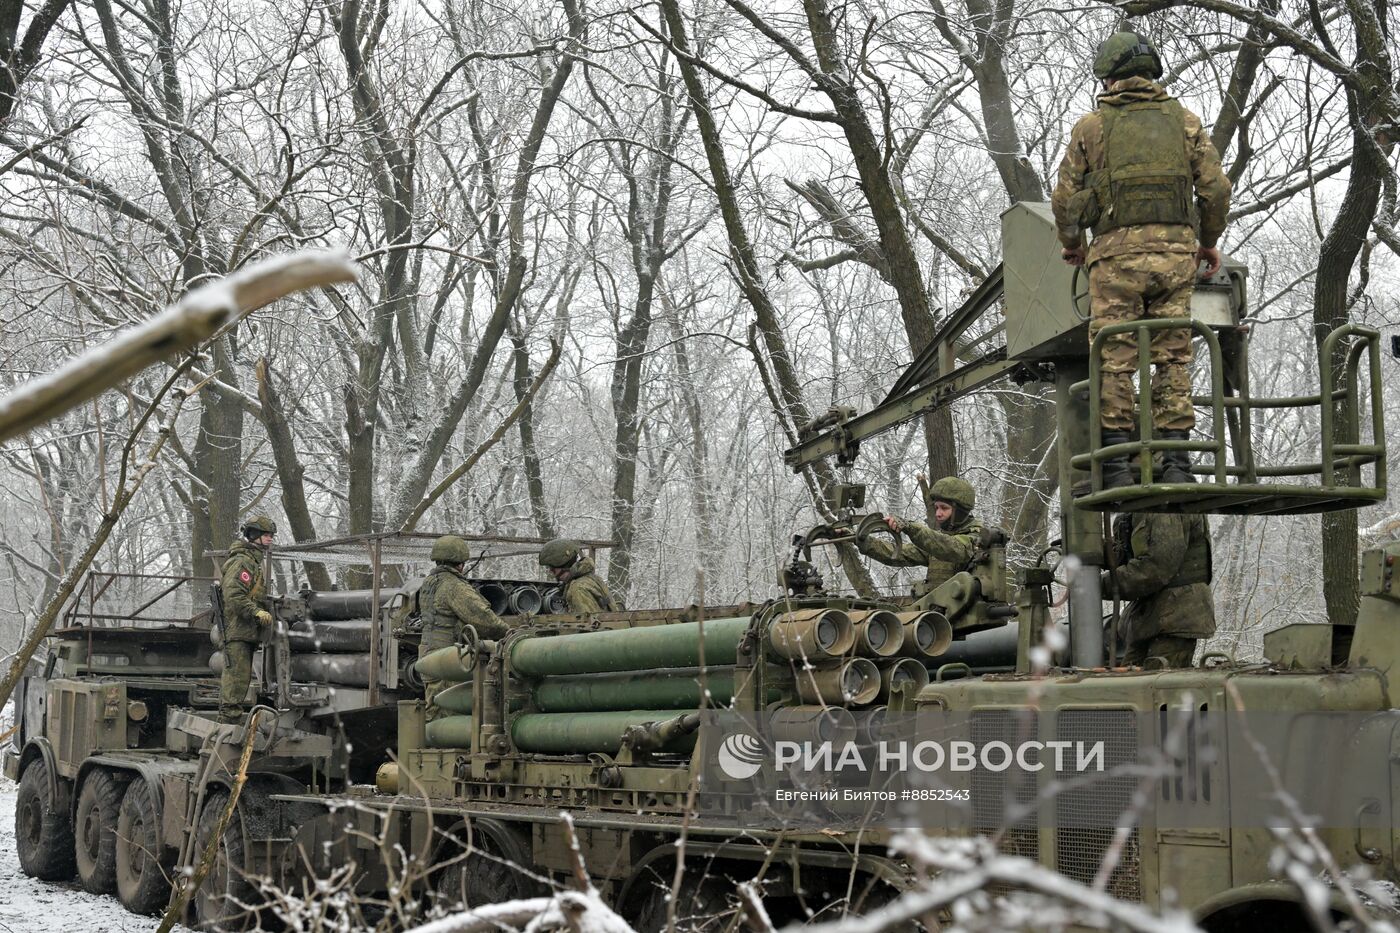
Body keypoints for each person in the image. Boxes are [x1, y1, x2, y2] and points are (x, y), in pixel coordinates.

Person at [1052, 30, 1232, 488]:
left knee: (1114, 357)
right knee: (1173, 357)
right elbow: (1215, 190)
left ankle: (1115, 469)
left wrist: (1073, 243)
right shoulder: (1185, 122)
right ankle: (1177, 465)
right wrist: (1207, 239)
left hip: (1114, 263)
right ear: (1151, 73)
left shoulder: (1091, 127)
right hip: (1175, 259)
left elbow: (1065, 198)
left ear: (1110, 78)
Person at [1102, 510, 1215, 667]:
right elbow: (1129, 553)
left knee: (1155, 687)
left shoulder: (1166, 507)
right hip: (1151, 619)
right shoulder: (1142, 506)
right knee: (1129, 686)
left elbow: (1154, 569)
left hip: (1175, 618)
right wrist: (1093, 552)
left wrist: (1099, 585)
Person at [419, 535, 511, 721]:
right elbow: (484, 619)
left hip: (429, 655)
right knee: (450, 716)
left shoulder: (429, 583)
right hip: (448, 658)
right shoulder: (453, 586)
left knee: (434, 709)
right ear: (460, 563)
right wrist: (509, 632)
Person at [857, 476, 982, 591]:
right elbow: (900, 553)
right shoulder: (937, 542)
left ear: (960, 511)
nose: (938, 513)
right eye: (937, 507)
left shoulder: (978, 539)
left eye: (944, 508)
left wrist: (910, 527)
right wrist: (863, 541)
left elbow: (953, 548)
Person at [219, 515, 276, 723]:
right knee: (236, 683)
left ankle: (228, 725)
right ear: (254, 536)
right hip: (238, 631)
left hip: (245, 631)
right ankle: (226, 728)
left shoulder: (251, 561)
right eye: (267, 535)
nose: (270, 539)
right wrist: (256, 612)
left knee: (239, 682)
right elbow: (233, 595)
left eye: (271, 535)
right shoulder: (242, 561)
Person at [538, 539, 615, 613]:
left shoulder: (578, 588)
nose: (551, 571)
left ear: (563, 565)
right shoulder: (593, 579)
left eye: (552, 567)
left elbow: (587, 623)